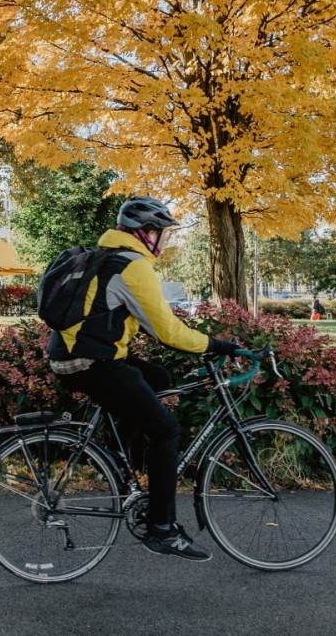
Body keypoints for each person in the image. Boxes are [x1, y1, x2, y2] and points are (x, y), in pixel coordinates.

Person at [45, 196, 241, 562]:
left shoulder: (109, 257)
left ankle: (123, 461)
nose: (166, 242)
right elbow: (168, 331)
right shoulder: (132, 266)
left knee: (158, 377)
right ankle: (162, 528)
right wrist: (216, 345)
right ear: (146, 233)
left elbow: (137, 320)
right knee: (165, 429)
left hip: (79, 353)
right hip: (90, 360)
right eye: (164, 234)